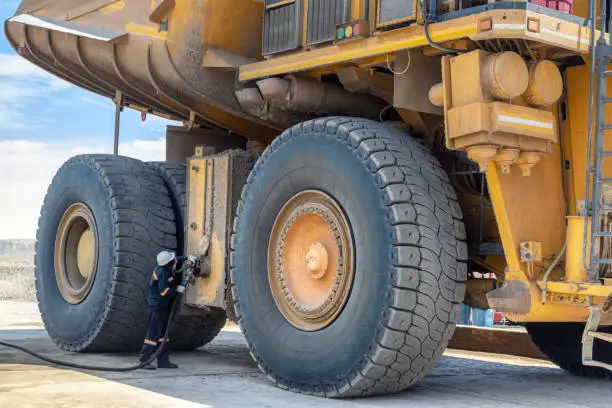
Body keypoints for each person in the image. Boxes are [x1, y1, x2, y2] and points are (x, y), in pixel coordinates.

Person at [138, 250, 190, 370]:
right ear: (167, 263)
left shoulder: (166, 266)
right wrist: (177, 290)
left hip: (162, 306)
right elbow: (163, 292)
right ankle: (144, 360)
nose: (174, 261)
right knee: (153, 334)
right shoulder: (162, 273)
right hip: (157, 307)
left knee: (162, 335)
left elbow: (176, 259)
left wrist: (187, 258)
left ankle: (163, 361)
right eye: (171, 260)